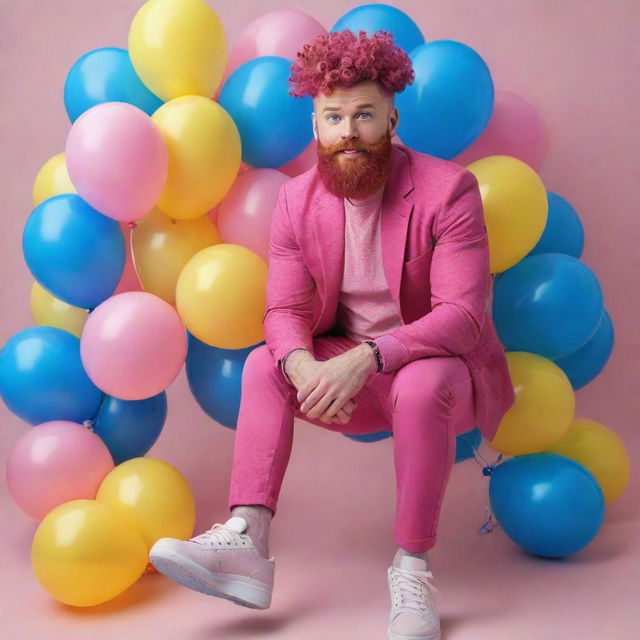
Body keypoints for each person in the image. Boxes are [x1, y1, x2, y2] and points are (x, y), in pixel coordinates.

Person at [150, 29, 515, 640]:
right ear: (316, 126)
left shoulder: (449, 191)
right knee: (264, 365)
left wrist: (369, 358)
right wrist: (301, 365)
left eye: (364, 115)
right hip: (348, 377)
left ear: (392, 118)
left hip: (433, 371)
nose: (349, 131)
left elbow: (464, 316)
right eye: (334, 117)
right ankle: (247, 543)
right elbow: (284, 312)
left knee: (423, 384)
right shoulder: (297, 201)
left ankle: (412, 571)